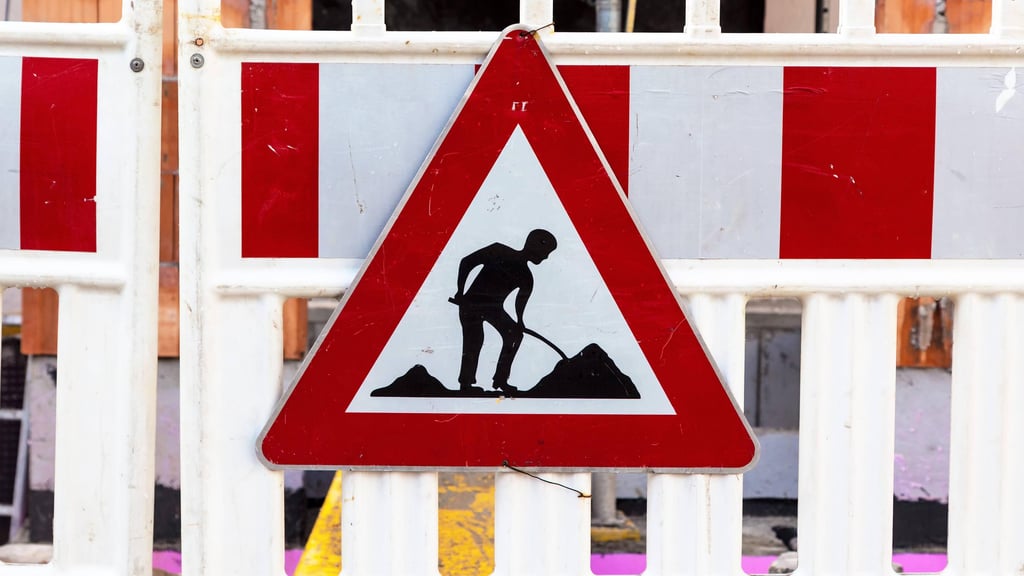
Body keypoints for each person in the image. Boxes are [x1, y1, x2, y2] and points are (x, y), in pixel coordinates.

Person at [450, 229, 557, 394]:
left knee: (515, 336)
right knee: (474, 340)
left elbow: (520, 304)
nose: (546, 257)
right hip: (471, 303)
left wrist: (520, 323)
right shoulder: (498, 250)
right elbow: (467, 262)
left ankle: (500, 380)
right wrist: (460, 291)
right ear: (535, 245)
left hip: (494, 308)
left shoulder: (527, 277)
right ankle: (466, 384)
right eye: (546, 252)